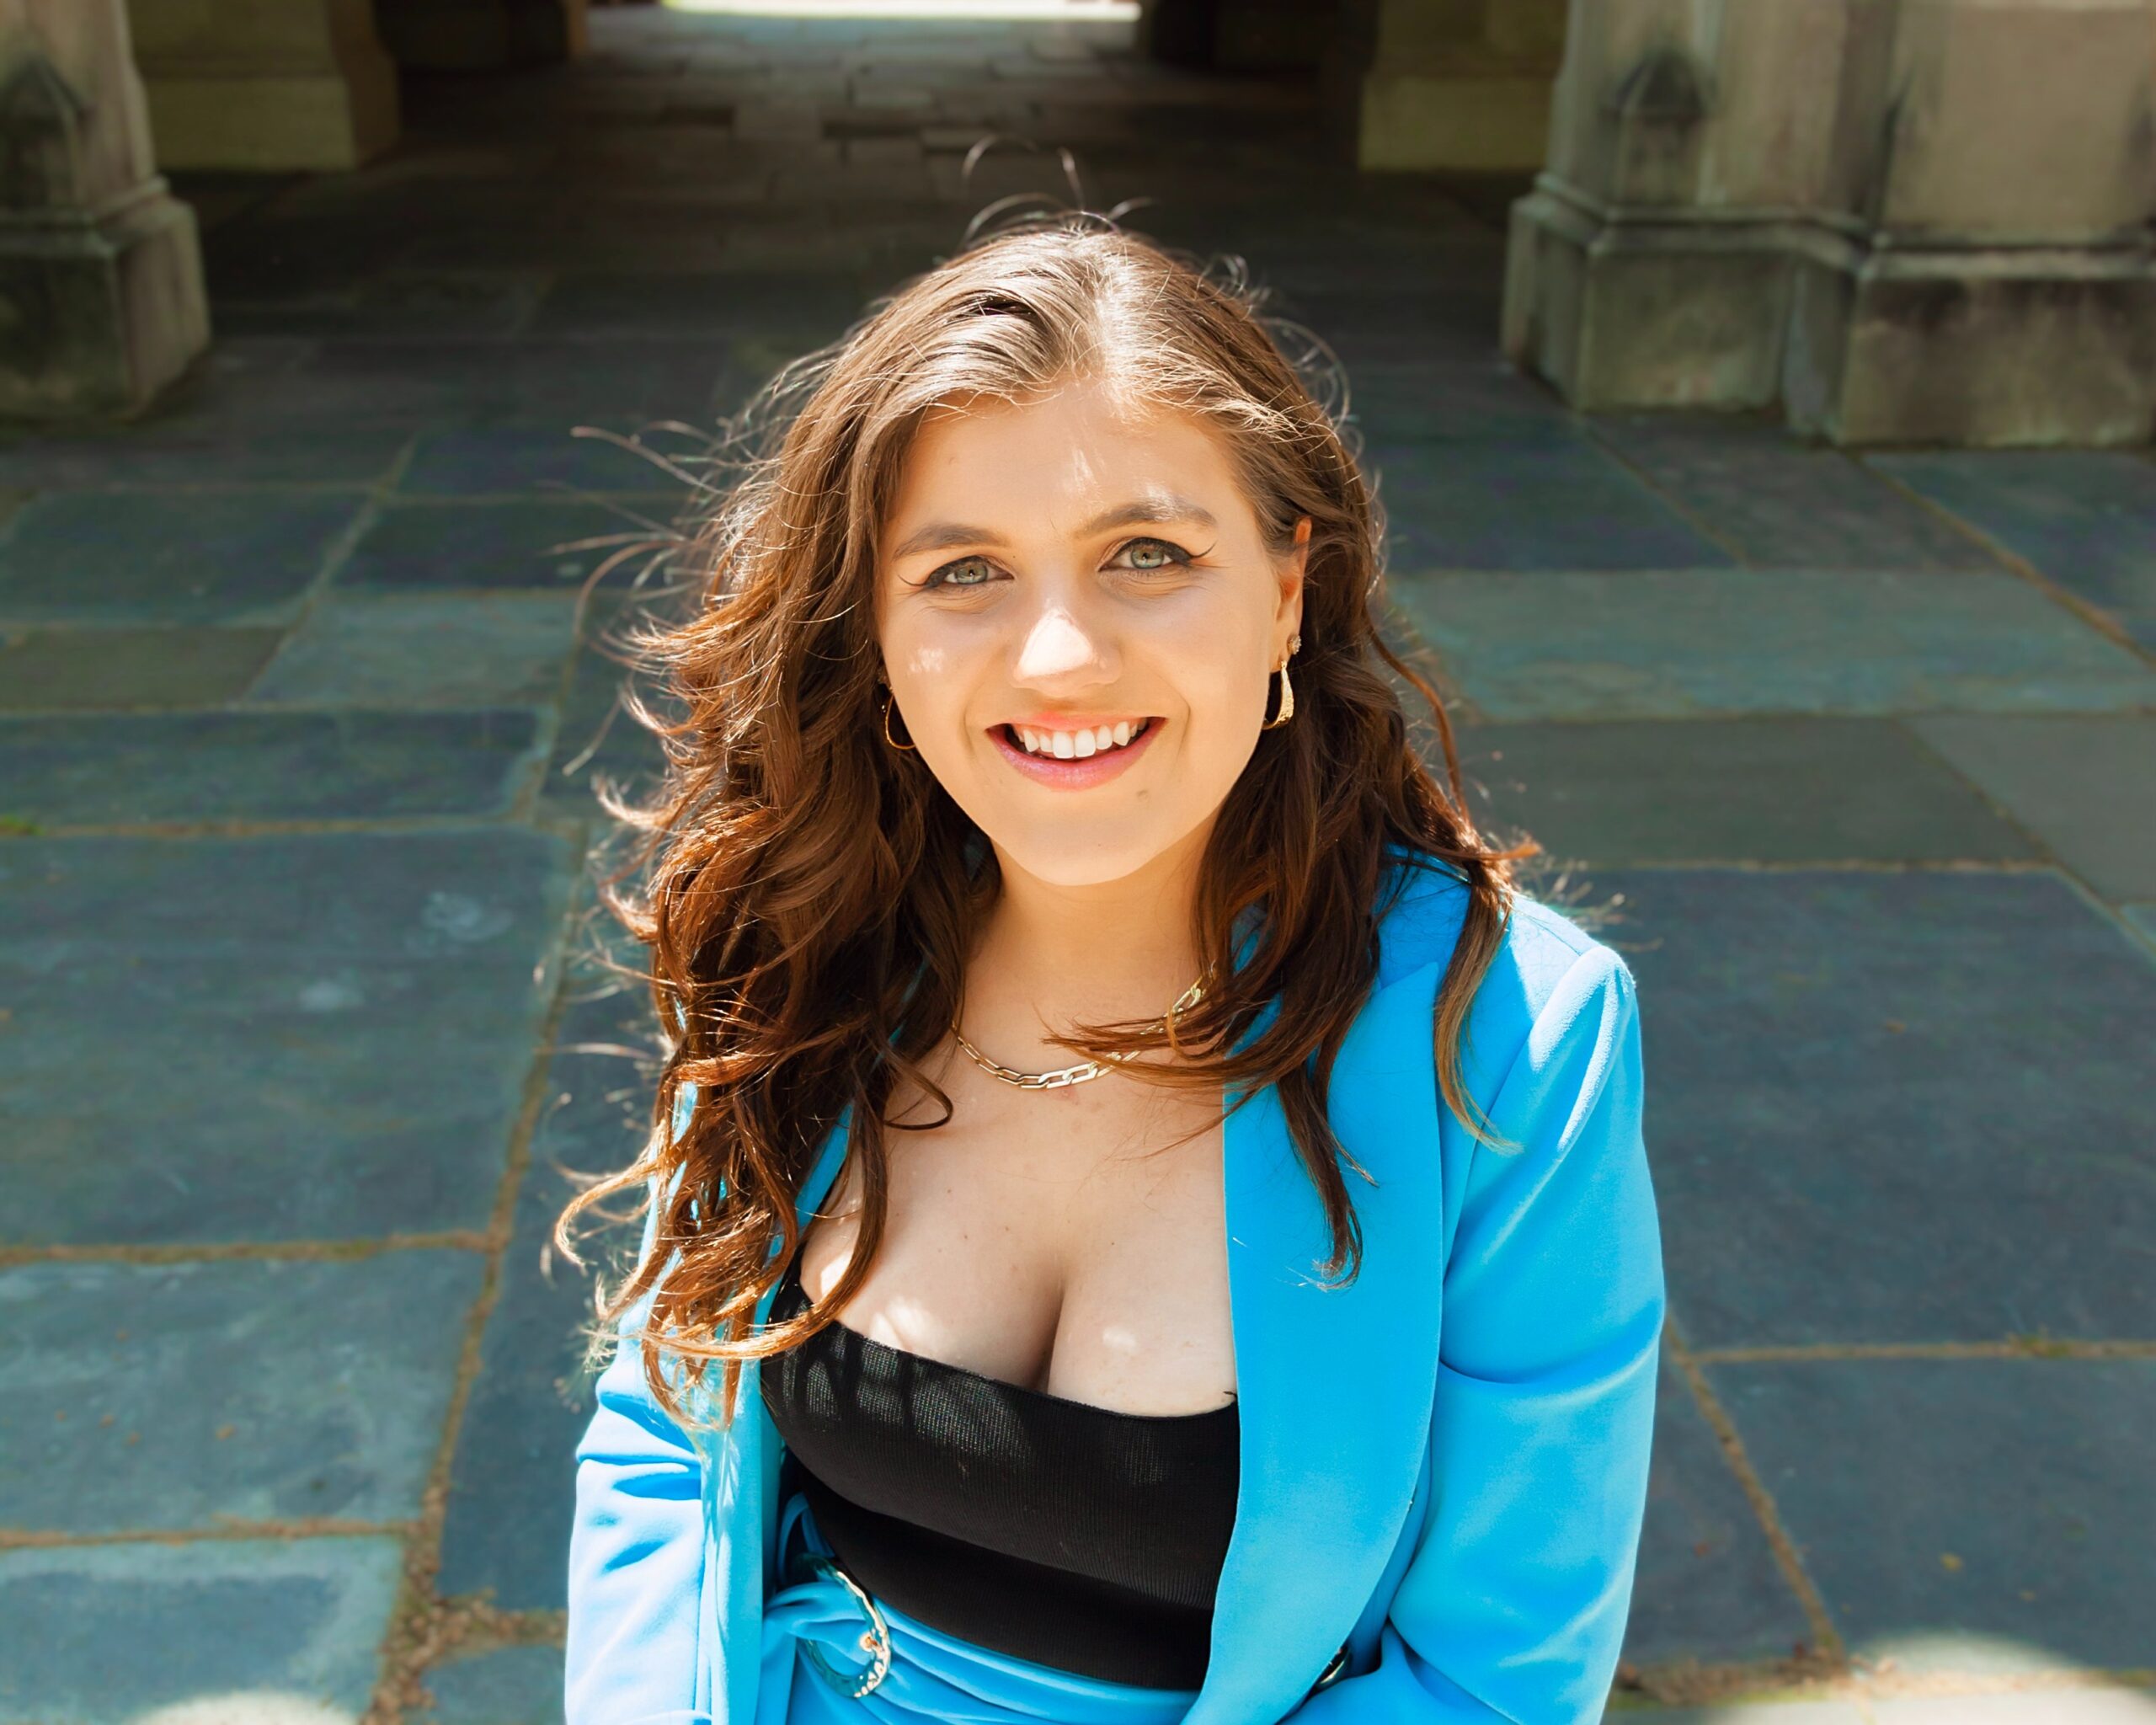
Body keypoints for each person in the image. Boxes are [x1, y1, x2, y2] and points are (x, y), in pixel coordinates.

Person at [556, 217, 1666, 1725]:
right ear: (872, 628)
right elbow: (663, 1436)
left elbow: (1496, 1678)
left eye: (1147, 555)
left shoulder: (1514, 1043)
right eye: (962, 572)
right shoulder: (814, 931)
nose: (1059, 657)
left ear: (1287, 591)